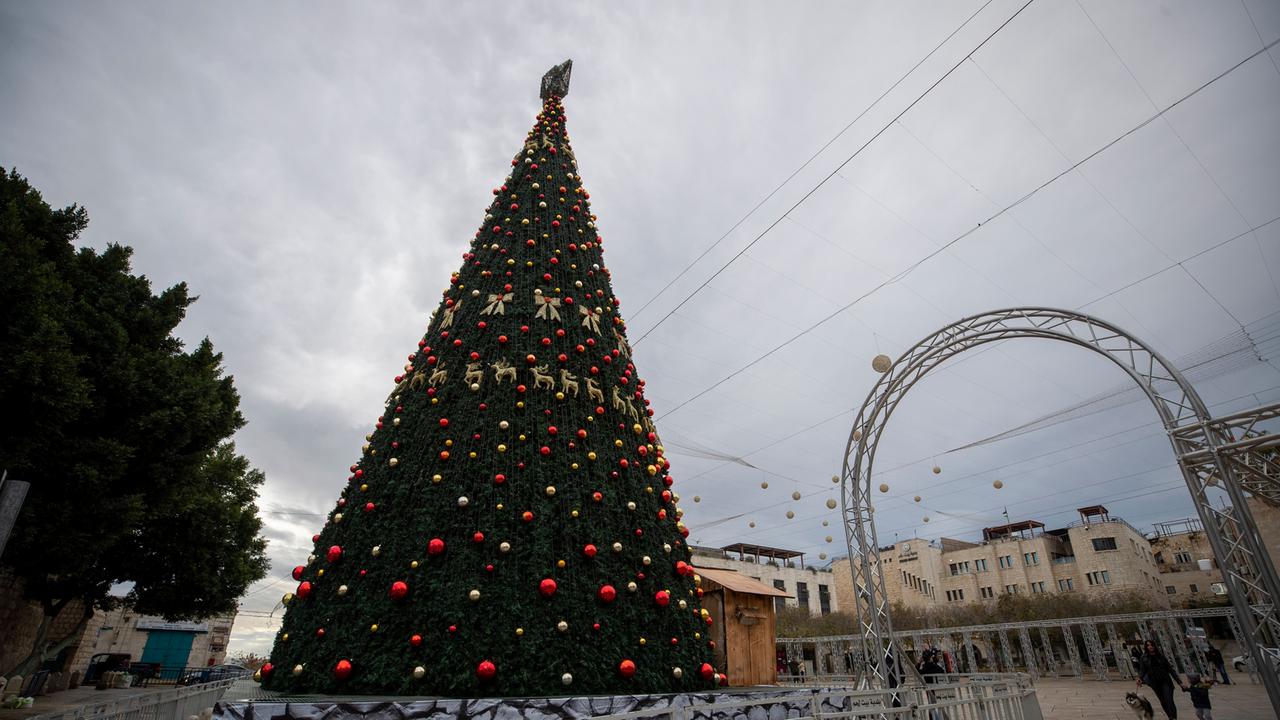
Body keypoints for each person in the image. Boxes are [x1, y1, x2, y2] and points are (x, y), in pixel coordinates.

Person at [1137, 640, 1185, 719]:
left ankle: (1174, 718)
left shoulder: (1161, 656)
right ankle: (1170, 717)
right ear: (1146, 647)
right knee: (1163, 701)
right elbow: (1142, 670)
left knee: (1169, 700)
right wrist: (1140, 678)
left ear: (1154, 646)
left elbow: (1170, 669)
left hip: (1165, 680)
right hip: (1155, 682)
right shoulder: (1144, 657)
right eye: (1148, 645)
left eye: (1152, 645)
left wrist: (1179, 682)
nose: (1150, 646)